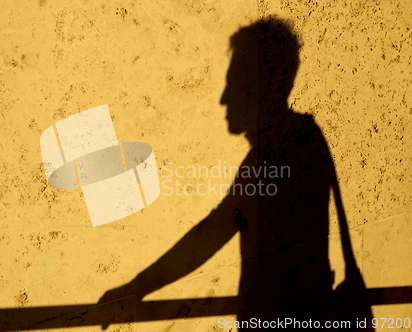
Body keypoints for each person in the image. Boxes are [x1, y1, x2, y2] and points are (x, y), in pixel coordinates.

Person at [99, 17, 372, 330]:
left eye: (234, 82)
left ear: (260, 85)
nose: (223, 98)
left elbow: (210, 235)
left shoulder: (280, 152)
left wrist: (132, 290)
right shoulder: (302, 140)